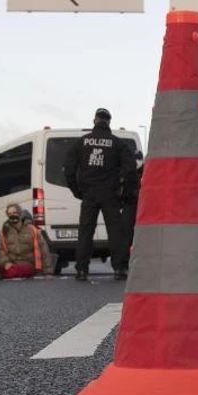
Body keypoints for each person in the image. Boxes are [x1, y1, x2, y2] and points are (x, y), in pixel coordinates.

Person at [64, 108, 138, 281]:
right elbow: (130, 170)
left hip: (89, 192)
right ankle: (120, 268)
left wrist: (77, 190)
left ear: (95, 121)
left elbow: (69, 170)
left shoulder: (82, 142)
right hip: (109, 193)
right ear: (109, 122)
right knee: (116, 231)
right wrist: (127, 194)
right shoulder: (117, 143)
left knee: (85, 231)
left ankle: (81, 269)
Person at [0, 203, 51, 279]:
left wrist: (48, 271)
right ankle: (1, 273)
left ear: (20, 213)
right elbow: (0, 250)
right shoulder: (4, 230)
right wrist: (6, 263)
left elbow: (44, 250)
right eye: (9, 214)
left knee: (13, 271)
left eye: (14, 213)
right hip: (10, 263)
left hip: (27, 263)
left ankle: (2, 274)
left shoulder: (32, 230)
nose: (12, 215)